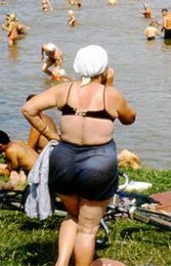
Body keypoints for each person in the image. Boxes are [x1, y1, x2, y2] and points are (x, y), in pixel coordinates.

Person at [22, 45, 136, 266]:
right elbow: (129, 118)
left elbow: (28, 108)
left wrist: (50, 134)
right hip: (97, 161)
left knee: (72, 215)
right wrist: (109, 85)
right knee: (87, 228)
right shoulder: (109, 94)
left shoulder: (64, 89)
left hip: (63, 159)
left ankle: (61, 263)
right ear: (104, 68)